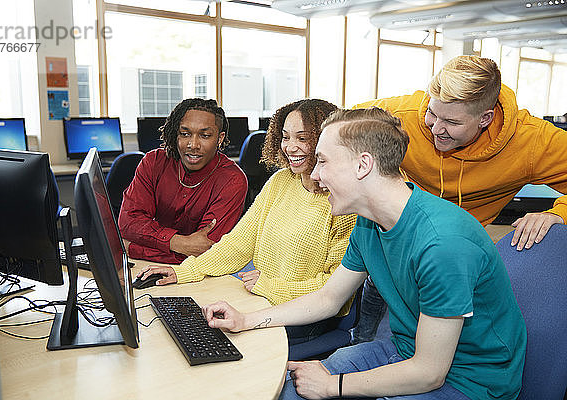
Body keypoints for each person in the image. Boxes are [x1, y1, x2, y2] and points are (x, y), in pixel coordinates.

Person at [202, 108, 526, 400]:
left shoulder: (443, 244)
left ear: (363, 165)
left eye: (324, 161)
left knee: (317, 387)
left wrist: (332, 386)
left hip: (469, 382)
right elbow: (328, 298)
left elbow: (430, 373)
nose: (314, 175)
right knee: (287, 391)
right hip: (403, 351)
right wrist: (246, 320)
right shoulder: (368, 223)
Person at [351, 55, 567, 343]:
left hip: (454, 265)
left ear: (485, 118)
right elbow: (336, 134)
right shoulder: (399, 114)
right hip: (394, 258)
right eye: (432, 113)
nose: (436, 128)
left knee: (411, 351)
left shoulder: (531, 141)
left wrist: (559, 213)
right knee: (368, 344)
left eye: (452, 122)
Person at [137, 99, 357, 344]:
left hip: (301, 316)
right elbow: (239, 242)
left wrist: (269, 287)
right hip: (259, 298)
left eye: (303, 138)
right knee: (182, 323)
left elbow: (334, 290)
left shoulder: (344, 203)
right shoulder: (281, 181)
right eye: (285, 137)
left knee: (212, 339)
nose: (291, 147)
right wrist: (185, 272)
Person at [118, 98, 247, 264]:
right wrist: (179, 243)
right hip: (147, 267)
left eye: (205, 135)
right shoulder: (153, 162)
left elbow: (205, 252)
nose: (193, 145)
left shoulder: (232, 180)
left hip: (201, 278)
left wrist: (132, 248)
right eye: (185, 134)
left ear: (219, 138)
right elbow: (128, 223)